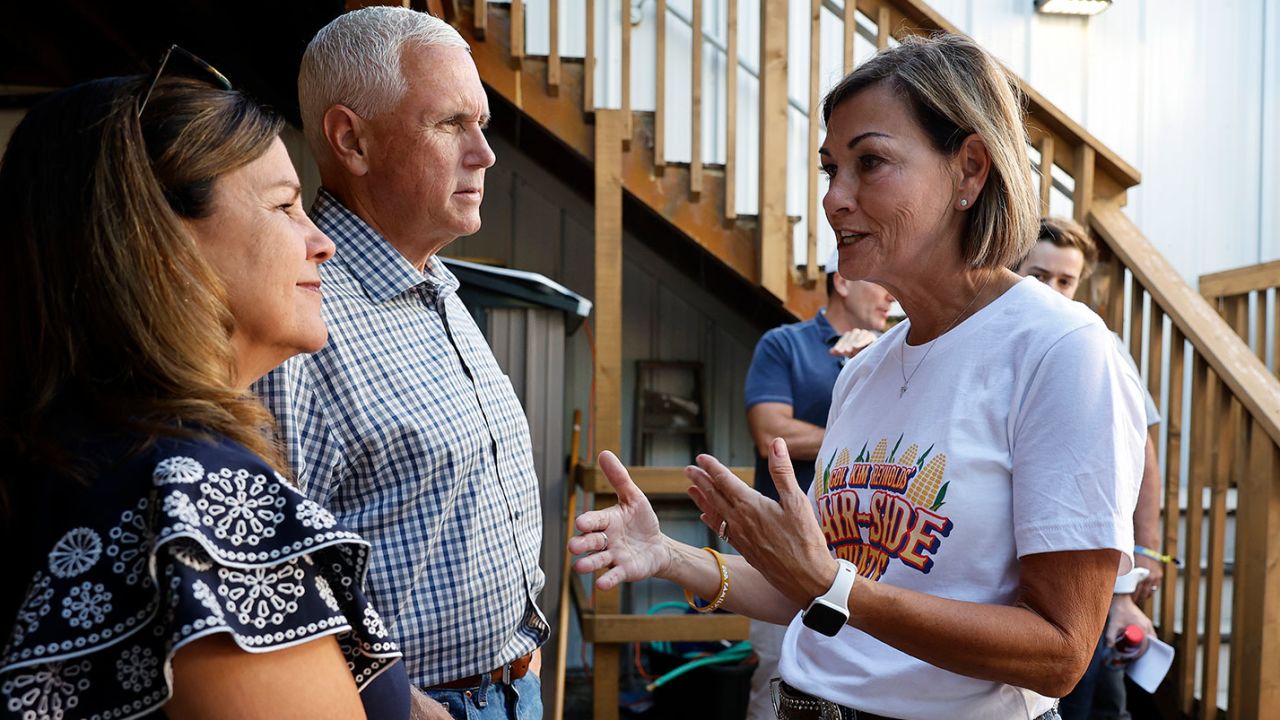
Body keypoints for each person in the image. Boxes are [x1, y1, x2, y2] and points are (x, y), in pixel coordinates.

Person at [569, 33, 1146, 720]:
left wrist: (835, 585)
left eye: (869, 162)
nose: (834, 199)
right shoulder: (864, 370)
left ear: (969, 169)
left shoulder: (1061, 350)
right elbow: (810, 587)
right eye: (828, 169)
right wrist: (667, 555)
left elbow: (1059, 653)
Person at [0, 58, 407, 719]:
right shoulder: (203, 505)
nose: (322, 241)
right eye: (284, 205)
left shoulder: (62, 453)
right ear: (159, 244)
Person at [254, 8, 546, 719]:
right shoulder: (300, 316)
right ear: (351, 140)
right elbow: (268, 572)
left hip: (513, 689)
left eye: (481, 124)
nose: (484, 153)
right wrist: (394, 702)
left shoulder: (433, 282)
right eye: (450, 125)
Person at [1016, 217, 1165, 720]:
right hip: (1026, 568)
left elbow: (1142, 452)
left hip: (1097, 565)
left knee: (1100, 697)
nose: (1053, 290)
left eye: (1065, 281)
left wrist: (1147, 549)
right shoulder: (1000, 340)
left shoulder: (1098, 344)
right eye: (1039, 276)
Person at [742, 254, 893, 720]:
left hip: (874, 563)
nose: (893, 294)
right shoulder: (783, 344)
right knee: (776, 681)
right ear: (843, 280)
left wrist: (872, 365)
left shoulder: (894, 352)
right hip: (783, 561)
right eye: (880, 281)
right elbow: (771, 435)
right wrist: (854, 440)